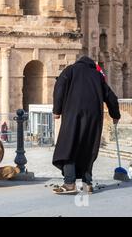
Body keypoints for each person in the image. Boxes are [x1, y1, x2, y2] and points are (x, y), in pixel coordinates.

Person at [52, 56, 120, 194]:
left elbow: (59, 87)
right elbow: (111, 96)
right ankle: (87, 183)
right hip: (94, 117)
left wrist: (57, 110)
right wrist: (115, 115)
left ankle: (69, 184)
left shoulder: (70, 70)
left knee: (68, 146)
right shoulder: (97, 75)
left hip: (73, 114)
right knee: (88, 147)